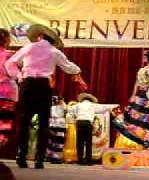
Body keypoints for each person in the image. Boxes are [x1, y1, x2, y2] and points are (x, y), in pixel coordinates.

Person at [5, 24, 86, 169]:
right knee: (43, 123)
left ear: (40, 36)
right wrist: (77, 70)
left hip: (27, 84)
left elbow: (10, 63)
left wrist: (18, 76)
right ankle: (39, 159)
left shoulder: (29, 47)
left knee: (24, 121)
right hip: (43, 85)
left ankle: (21, 156)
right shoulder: (54, 51)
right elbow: (70, 68)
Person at [72, 93, 113, 165]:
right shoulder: (92, 105)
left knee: (79, 142)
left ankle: (80, 160)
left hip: (79, 122)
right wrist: (112, 107)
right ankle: (88, 161)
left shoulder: (78, 105)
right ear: (91, 100)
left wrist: (78, 116)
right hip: (87, 123)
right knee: (88, 142)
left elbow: (71, 111)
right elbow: (103, 108)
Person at [0, 28, 17, 180]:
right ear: (7, 41)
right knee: (3, 128)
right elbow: (14, 74)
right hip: (6, 95)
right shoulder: (11, 56)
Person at [47, 96, 66, 164]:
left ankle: (54, 155)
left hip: (58, 125)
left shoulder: (60, 107)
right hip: (56, 125)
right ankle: (54, 156)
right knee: (55, 140)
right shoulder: (56, 107)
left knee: (57, 140)